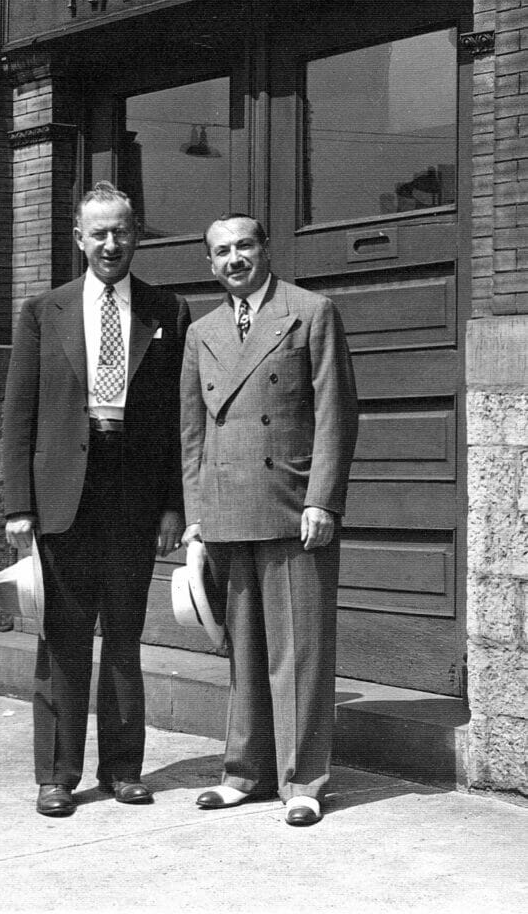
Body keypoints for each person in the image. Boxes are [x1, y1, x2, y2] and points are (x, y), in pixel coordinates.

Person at [3, 182, 189, 817]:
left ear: (136, 235)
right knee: (64, 638)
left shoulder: (169, 311)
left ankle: (123, 769)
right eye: (99, 233)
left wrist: (173, 505)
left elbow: (176, 421)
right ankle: (57, 775)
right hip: (62, 494)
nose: (112, 244)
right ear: (79, 239)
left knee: (126, 637)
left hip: (133, 492)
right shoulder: (42, 311)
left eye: (123, 232)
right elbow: (18, 417)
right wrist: (17, 506)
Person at [180, 213, 358, 827]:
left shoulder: (311, 311)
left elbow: (336, 413)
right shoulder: (202, 331)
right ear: (210, 263)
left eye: (245, 246)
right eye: (222, 251)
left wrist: (323, 499)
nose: (235, 259)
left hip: (291, 506)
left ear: (265, 248)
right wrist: (196, 518)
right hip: (227, 508)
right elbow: (193, 434)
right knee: (246, 654)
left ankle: (304, 782)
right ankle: (244, 773)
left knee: (300, 653)